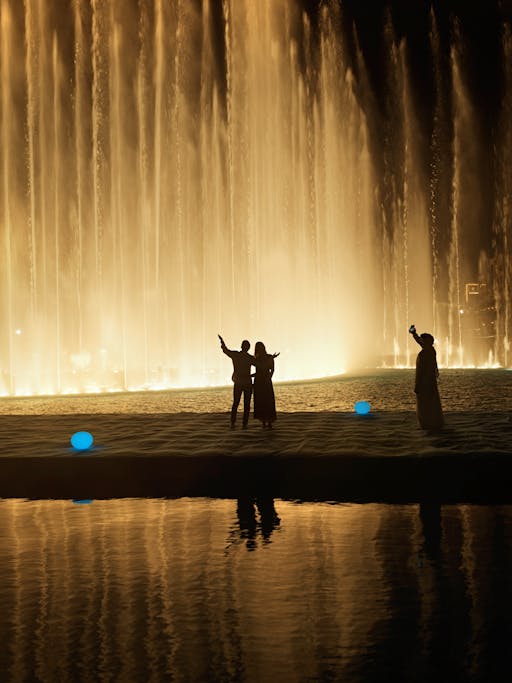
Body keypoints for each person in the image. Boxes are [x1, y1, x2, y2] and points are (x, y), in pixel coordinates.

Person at [409, 325, 444, 431]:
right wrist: (414, 333)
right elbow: (419, 341)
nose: (421, 341)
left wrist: (418, 384)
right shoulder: (430, 349)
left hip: (425, 381)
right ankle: (432, 422)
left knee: (426, 402)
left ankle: (428, 423)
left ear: (428, 342)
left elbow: (423, 371)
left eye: (423, 340)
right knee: (430, 401)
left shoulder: (427, 352)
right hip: (429, 380)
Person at [218, 335, 254, 429]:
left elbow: (226, 350)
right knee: (246, 404)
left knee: (236, 403)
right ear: (248, 348)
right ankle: (244, 424)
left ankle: (233, 423)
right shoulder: (250, 358)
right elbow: (260, 364)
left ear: (241, 346)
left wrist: (222, 342)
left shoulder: (236, 355)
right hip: (247, 382)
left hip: (238, 382)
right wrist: (270, 358)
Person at [253, 341, 277, 429]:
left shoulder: (256, 359)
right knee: (268, 400)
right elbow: (272, 370)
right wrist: (269, 377)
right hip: (266, 381)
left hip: (259, 382)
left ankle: (263, 422)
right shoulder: (269, 357)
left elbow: (259, 371)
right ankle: (269, 422)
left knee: (261, 401)